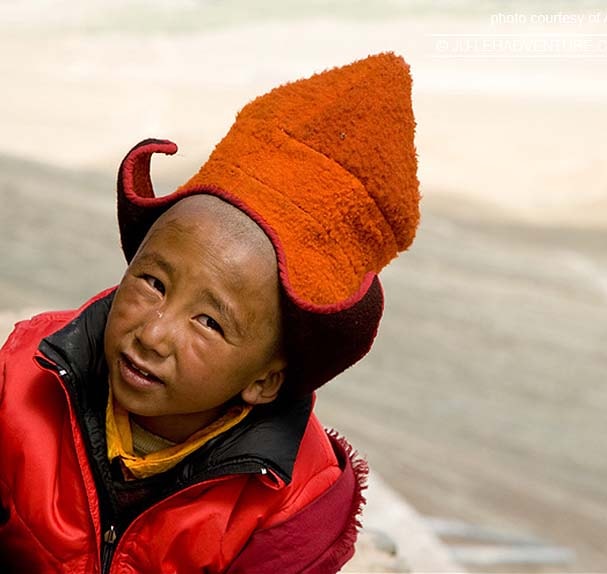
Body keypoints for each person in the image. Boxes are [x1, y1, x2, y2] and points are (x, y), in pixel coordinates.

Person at [0, 51, 420, 573]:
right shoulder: (24, 375)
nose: (152, 334)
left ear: (265, 379)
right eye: (153, 283)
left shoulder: (292, 508)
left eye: (208, 322)